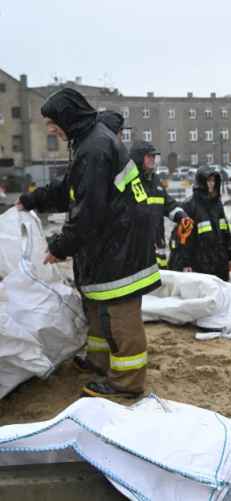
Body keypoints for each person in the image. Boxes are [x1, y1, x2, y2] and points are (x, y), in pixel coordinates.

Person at [17, 88, 159, 399]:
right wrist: (32, 200)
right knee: (97, 304)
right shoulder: (88, 141)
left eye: (53, 122)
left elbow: (89, 210)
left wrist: (60, 246)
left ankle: (127, 383)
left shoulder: (94, 147)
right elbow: (70, 187)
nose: (51, 129)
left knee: (121, 312)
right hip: (112, 240)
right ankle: (99, 362)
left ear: (67, 118)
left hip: (121, 243)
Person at [127, 141, 188, 270]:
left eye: (154, 157)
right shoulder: (130, 182)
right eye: (149, 156)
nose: (153, 159)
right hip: (137, 252)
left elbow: (167, 204)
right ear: (139, 158)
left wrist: (181, 216)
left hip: (158, 251)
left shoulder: (155, 180)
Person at [168, 166, 231, 281]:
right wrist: (185, 263)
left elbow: (225, 231)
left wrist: (230, 256)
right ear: (201, 182)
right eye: (209, 181)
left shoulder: (217, 204)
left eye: (214, 181)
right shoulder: (190, 205)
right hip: (200, 266)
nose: (212, 184)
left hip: (220, 265)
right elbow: (183, 239)